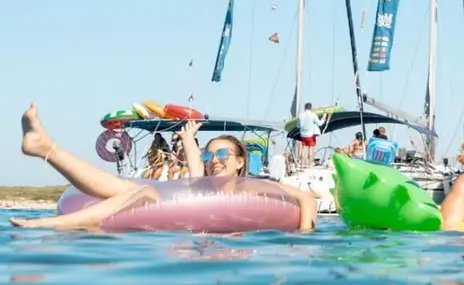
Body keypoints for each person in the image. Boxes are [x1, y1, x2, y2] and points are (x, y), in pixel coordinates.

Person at [10, 103, 318, 231]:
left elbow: (306, 198)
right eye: (211, 156)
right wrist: (189, 141)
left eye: (223, 153)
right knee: (117, 184)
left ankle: (49, 223)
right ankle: (44, 147)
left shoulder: (251, 187)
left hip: (206, 242)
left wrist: (305, 236)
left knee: (142, 189)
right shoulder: (204, 186)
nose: (216, 160)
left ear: (240, 161)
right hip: (180, 217)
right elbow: (195, 177)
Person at [297, 103, 327, 169]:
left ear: (305, 107)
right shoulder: (313, 115)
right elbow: (319, 124)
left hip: (303, 135)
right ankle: (310, 165)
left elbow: (298, 126)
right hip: (310, 135)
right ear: (311, 108)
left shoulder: (300, 115)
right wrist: (323, 118)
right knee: (310, 150)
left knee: (303, 149)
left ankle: (302, 165)